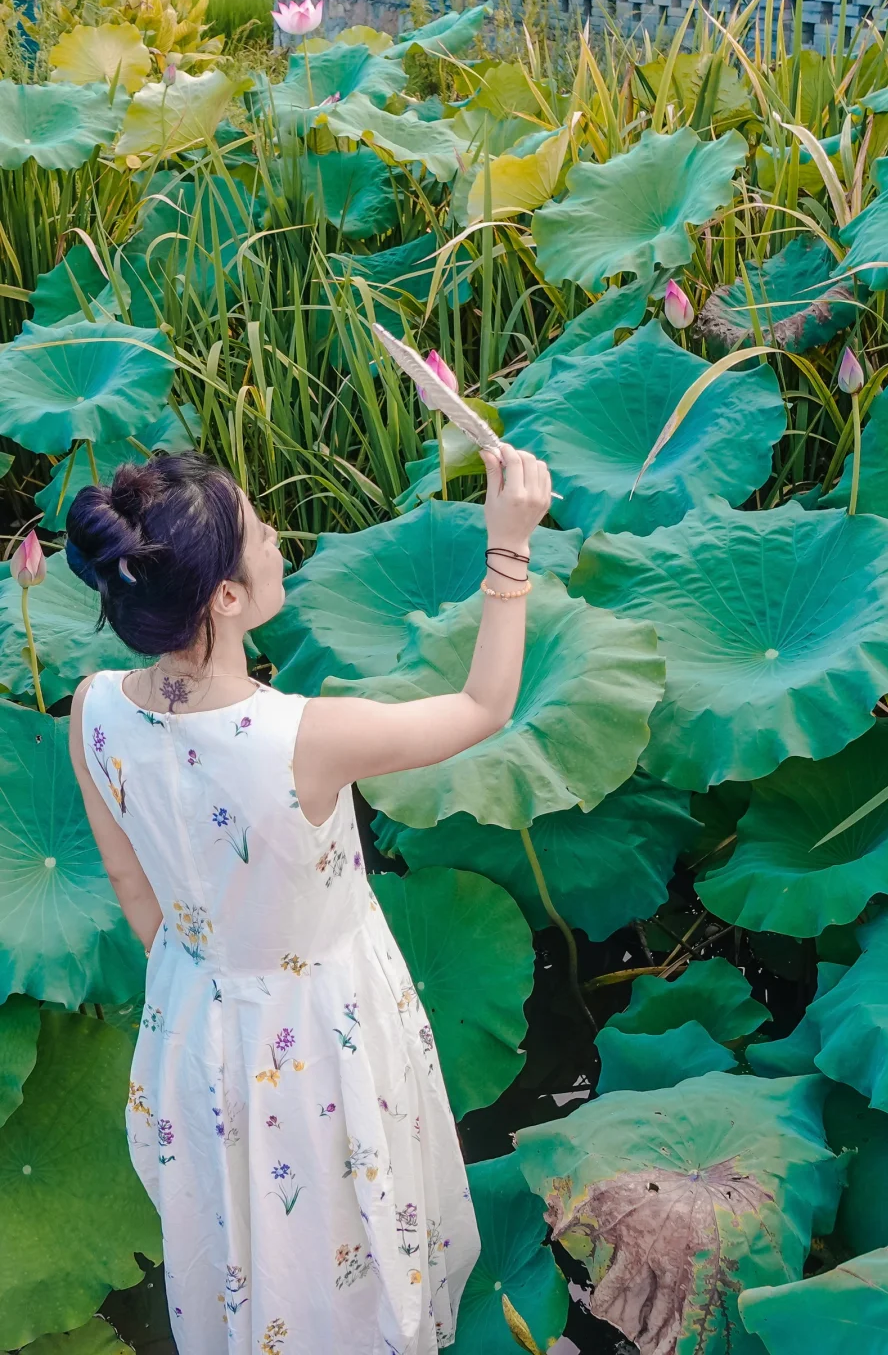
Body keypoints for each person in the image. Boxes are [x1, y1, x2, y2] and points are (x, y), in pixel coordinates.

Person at [66, 444, 552, 1355]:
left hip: (192, 1018)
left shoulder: (92, 708)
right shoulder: (304, 738)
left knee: (244, 1233)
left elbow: (133, 885)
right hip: (324, 1024)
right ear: (225, 598)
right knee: (342, 1225)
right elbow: (486, 705)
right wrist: (509, 547)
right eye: (259, 533)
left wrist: (210, 979)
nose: (278, 539)